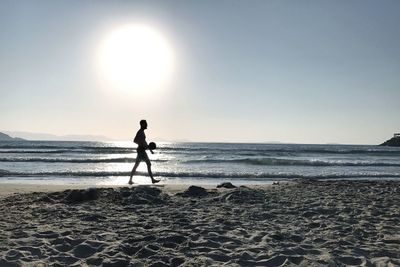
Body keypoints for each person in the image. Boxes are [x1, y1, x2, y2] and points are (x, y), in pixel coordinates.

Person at [129, 120, 160, 185]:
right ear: (142, 124)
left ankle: (130, 180)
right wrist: (141, 145)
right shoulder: (140, 132)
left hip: (141, 151)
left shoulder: (142, 132)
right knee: (148, 164)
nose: (147, 125)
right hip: (141, 151)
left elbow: (144, 142)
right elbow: (135, 140)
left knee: (136, 166)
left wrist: (149, 149)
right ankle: (152, 180)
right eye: (146, 124)